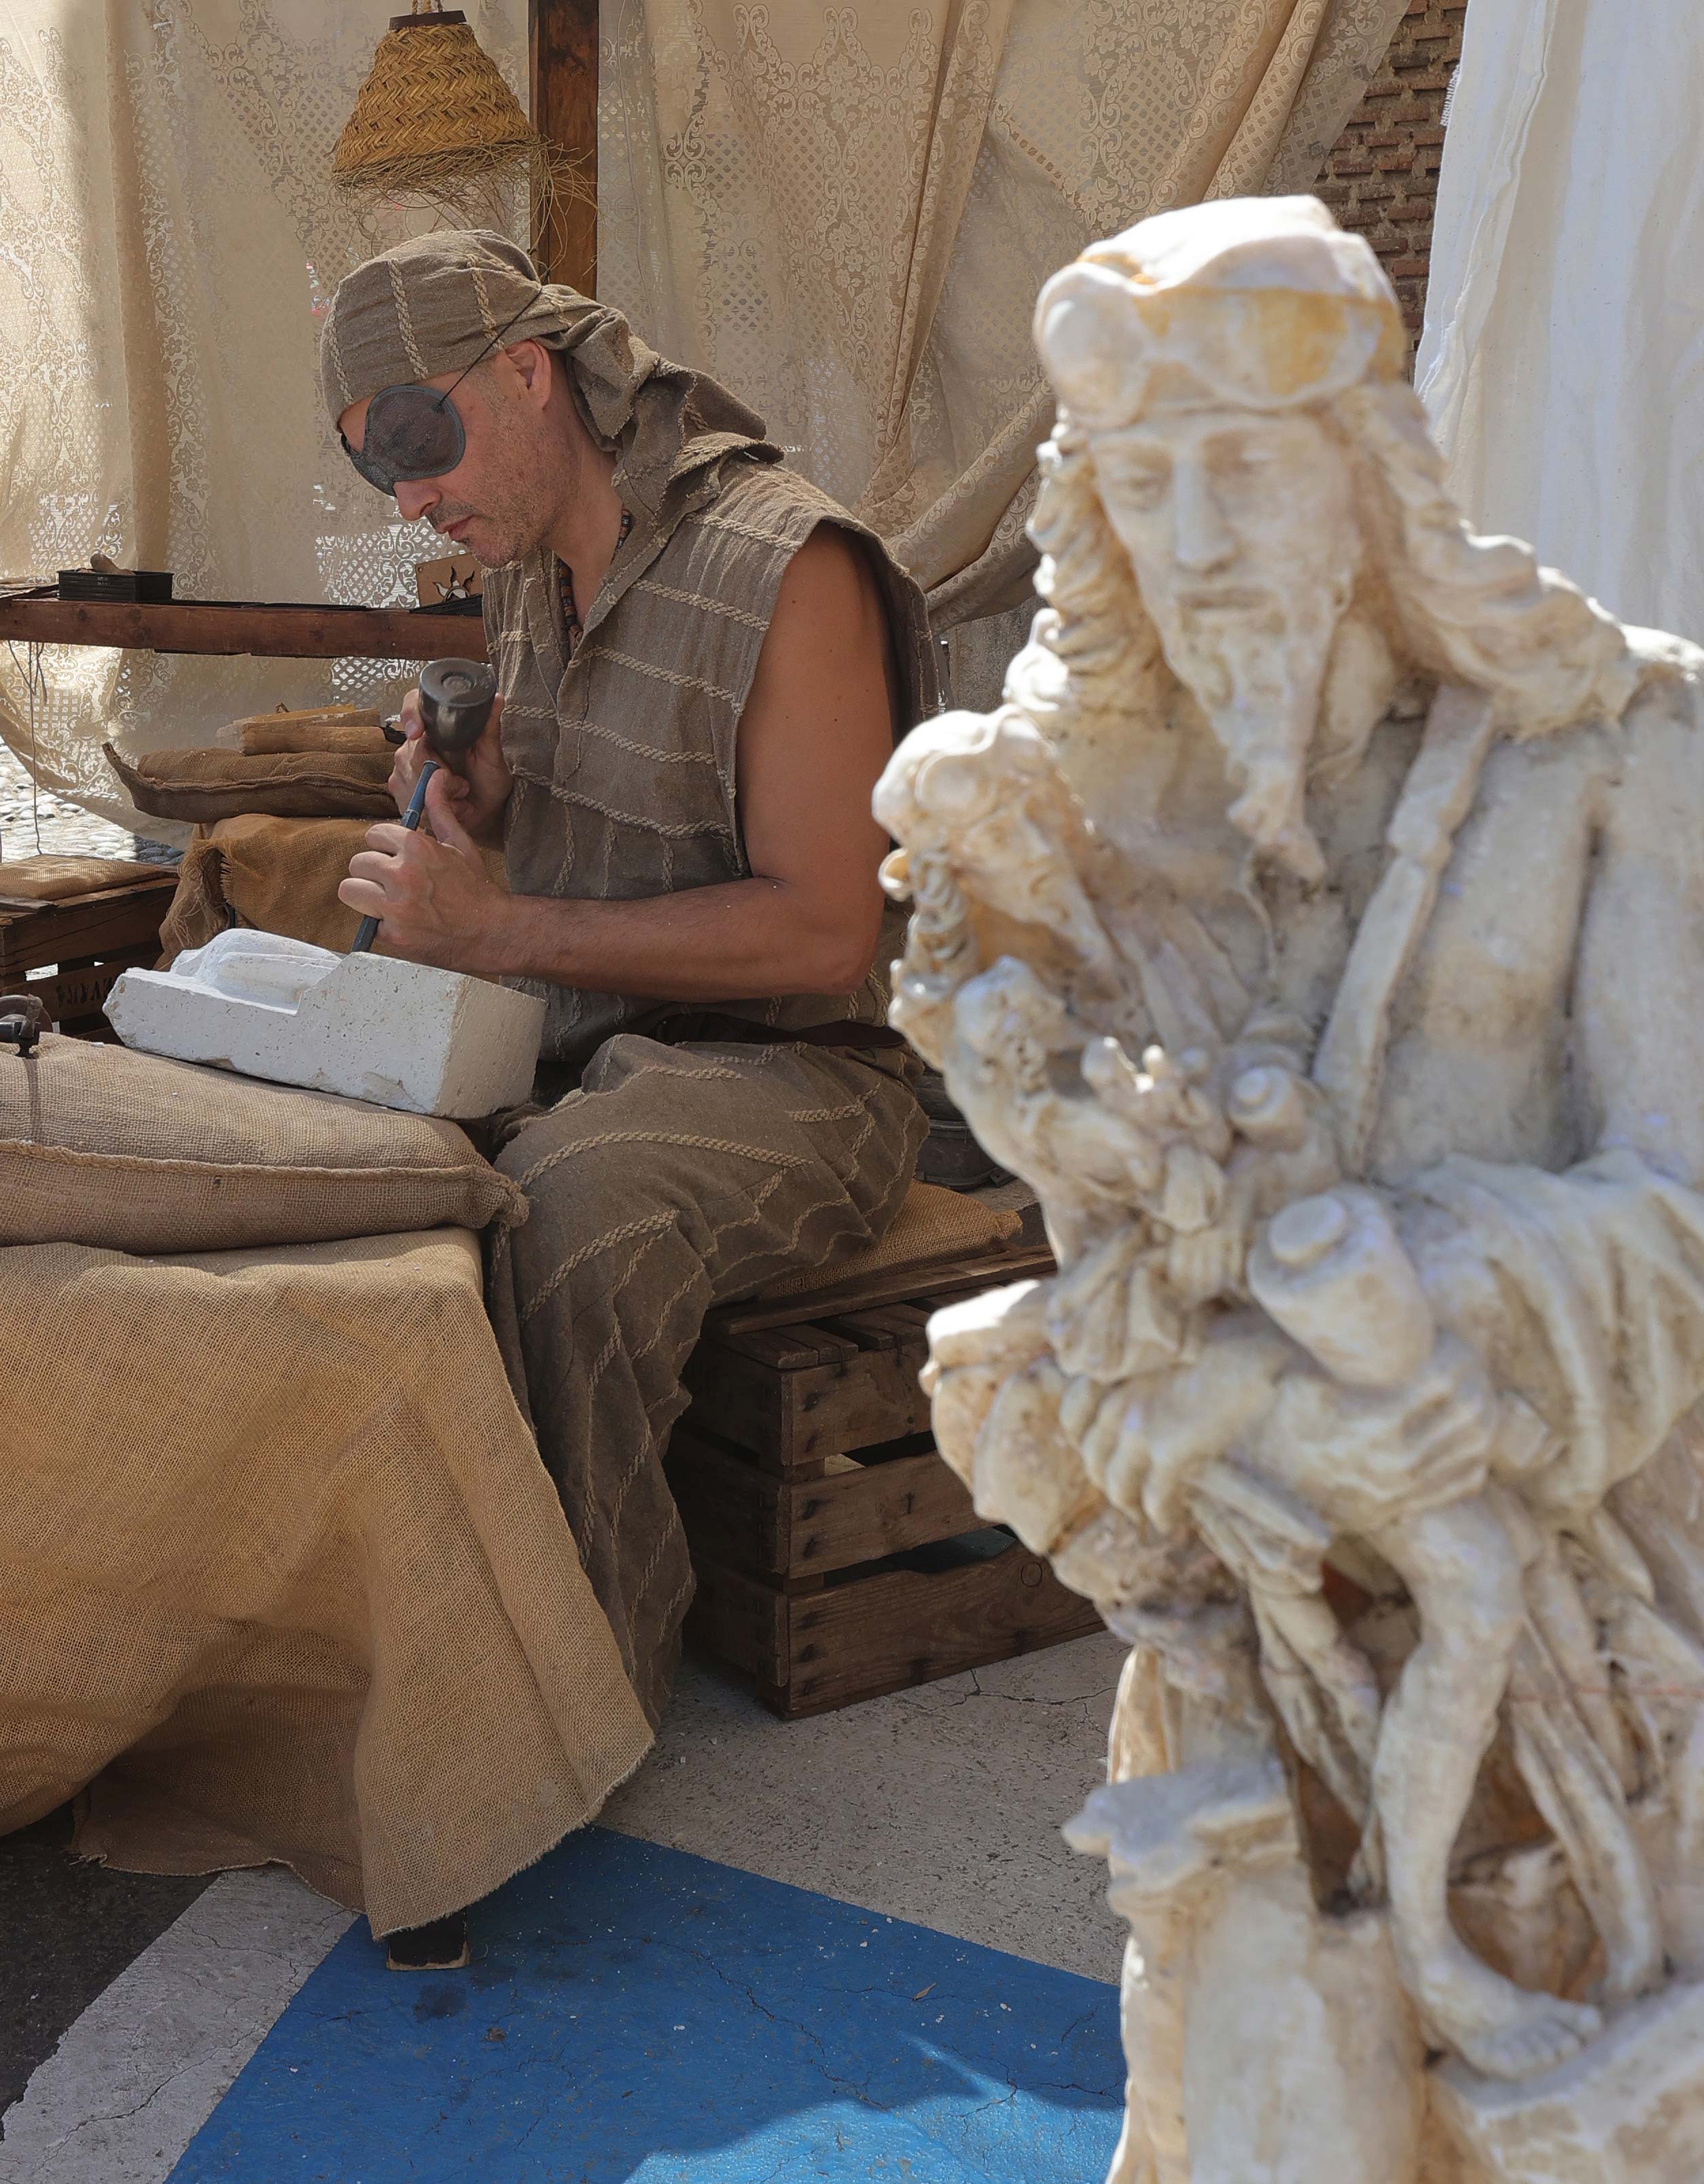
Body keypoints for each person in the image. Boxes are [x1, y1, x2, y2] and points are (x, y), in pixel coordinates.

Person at [883, 194, 1704, 2168]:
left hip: (1599, 1630)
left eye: (1243, 472)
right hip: (1247, 1622)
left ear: (1366, 478)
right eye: (1146, 487)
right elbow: (1091, 1220)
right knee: (1259, 2078)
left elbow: (1684, 1198)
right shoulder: (1070, 825)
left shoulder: (1605, 748)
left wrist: (1420, 1291)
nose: (1198, 545)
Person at [317, 230, 930, 1755]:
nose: (409, 499)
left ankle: (572, 1698)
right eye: (376, 470)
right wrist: (487, 790)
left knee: (573, 1211)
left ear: (528, 373)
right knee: (344, 1148)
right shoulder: (527, 575)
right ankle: (392, 1618)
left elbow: (822, 933)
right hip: (589, 1045)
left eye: (417, 441)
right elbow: (592, 815)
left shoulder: (790, 566)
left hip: (807, 1079)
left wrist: (503, 926)